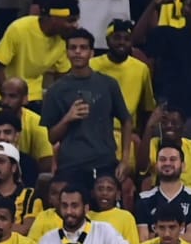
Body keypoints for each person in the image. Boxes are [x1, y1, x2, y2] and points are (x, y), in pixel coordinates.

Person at [41, 28, 132, 186]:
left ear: (91, 53)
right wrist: (68, 118)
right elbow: (52, 137)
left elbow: (126, 120)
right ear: (67, 52)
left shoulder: (108, 84)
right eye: (73, 48)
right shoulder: (55, 90)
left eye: (83, 48)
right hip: (70, 165)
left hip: (105, 162)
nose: (78, 52)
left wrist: (125, 160)